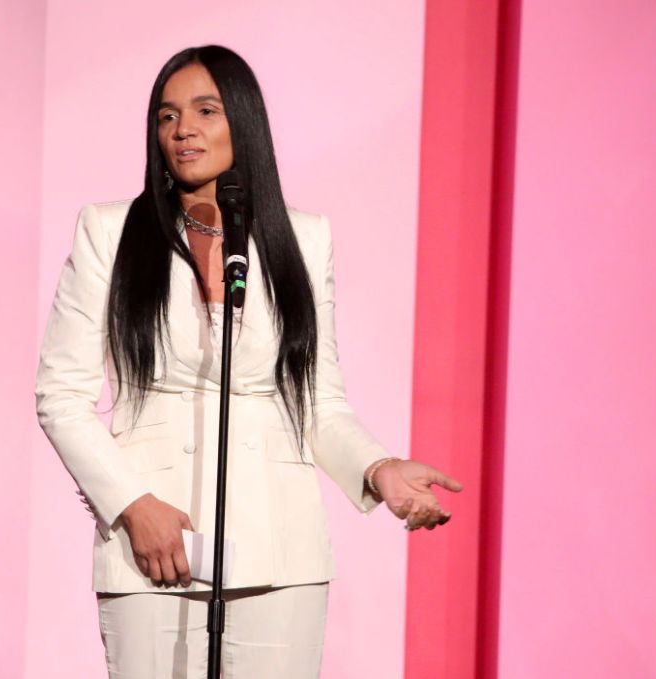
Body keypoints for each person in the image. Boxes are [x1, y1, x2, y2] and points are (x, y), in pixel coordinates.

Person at [35, 44, 463, 679]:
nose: (183, 130)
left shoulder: (302, 237)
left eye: (205, 110)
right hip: (155, 542)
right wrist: (131, 505)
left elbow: (316, 400)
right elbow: (60, 397)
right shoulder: (110, 230)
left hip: (279, 544)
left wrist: (378, 469)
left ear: (243, 119)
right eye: (166, 115)